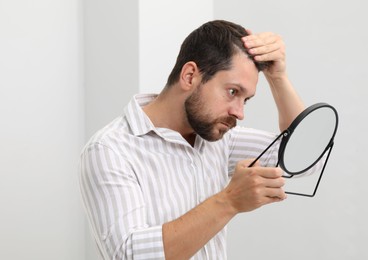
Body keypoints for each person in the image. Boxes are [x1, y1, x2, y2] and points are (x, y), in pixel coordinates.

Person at [79, 20, 305, 259]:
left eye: (245, 99)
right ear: (189, 76)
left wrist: (278, 77)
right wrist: (229, 201)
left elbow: (300, 157)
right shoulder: (109, 150)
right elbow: (130, 255)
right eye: (232, 92)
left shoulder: (219, 139)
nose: (240, 112)